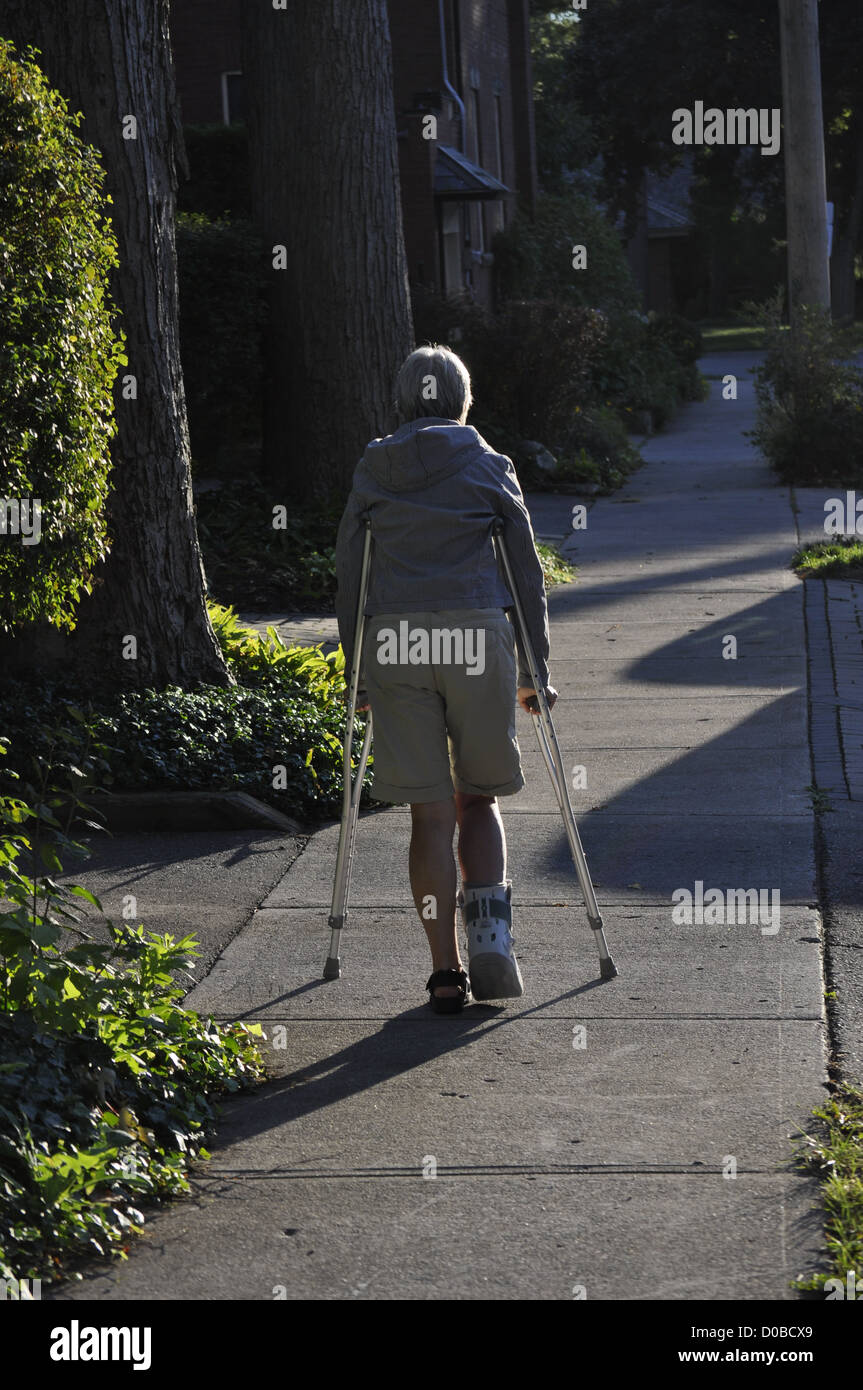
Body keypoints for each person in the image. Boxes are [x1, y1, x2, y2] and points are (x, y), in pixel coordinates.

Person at [335, 345, 556, 1014]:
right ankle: (489, 935)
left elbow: (352, 575)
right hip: (474, 636)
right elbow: (524, 571)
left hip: (397, 640)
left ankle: (443, 973)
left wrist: (358, 676)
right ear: (462, 400)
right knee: (478, 799)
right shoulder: (488, 465)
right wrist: (533, 669)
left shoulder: (374, 465)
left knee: (428, 815)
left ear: (403, 400)